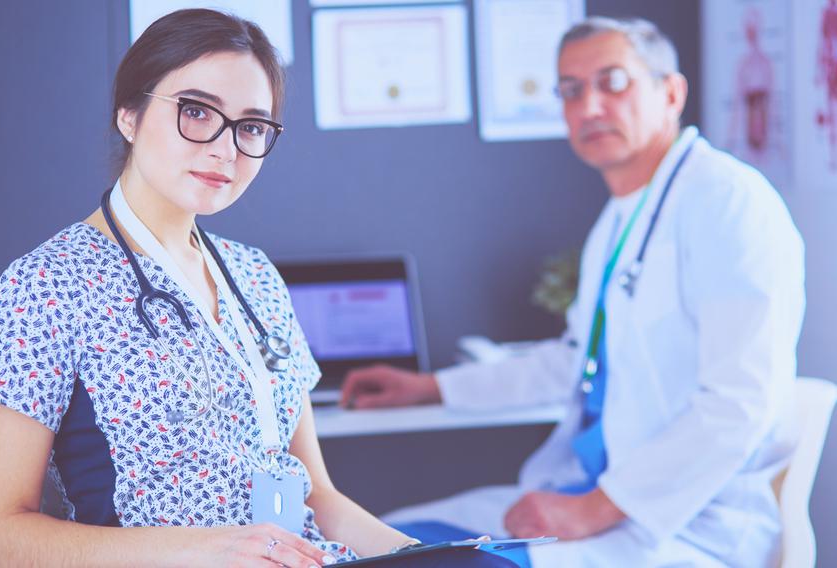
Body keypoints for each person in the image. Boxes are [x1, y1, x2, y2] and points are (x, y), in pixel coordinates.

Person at [0, 10, 515, 567]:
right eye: (197, 112)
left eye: (250, 126)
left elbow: (319, 501)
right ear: (128, 114)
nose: (225, 149)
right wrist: (205, 550)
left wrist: (425, 558)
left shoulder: (255, 276)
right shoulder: (45, 286)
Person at [341, 16, 805, 567]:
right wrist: (431, 388)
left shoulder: (729, 201)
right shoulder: (621, 218)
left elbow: (739, 403)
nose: (589, 107)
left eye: (613, 82)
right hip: (595, 497)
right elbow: (574, 362)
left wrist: (594, 509)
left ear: (671, 92)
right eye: (571, 90)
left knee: (435, 561)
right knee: (376, 541)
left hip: (685, 525)